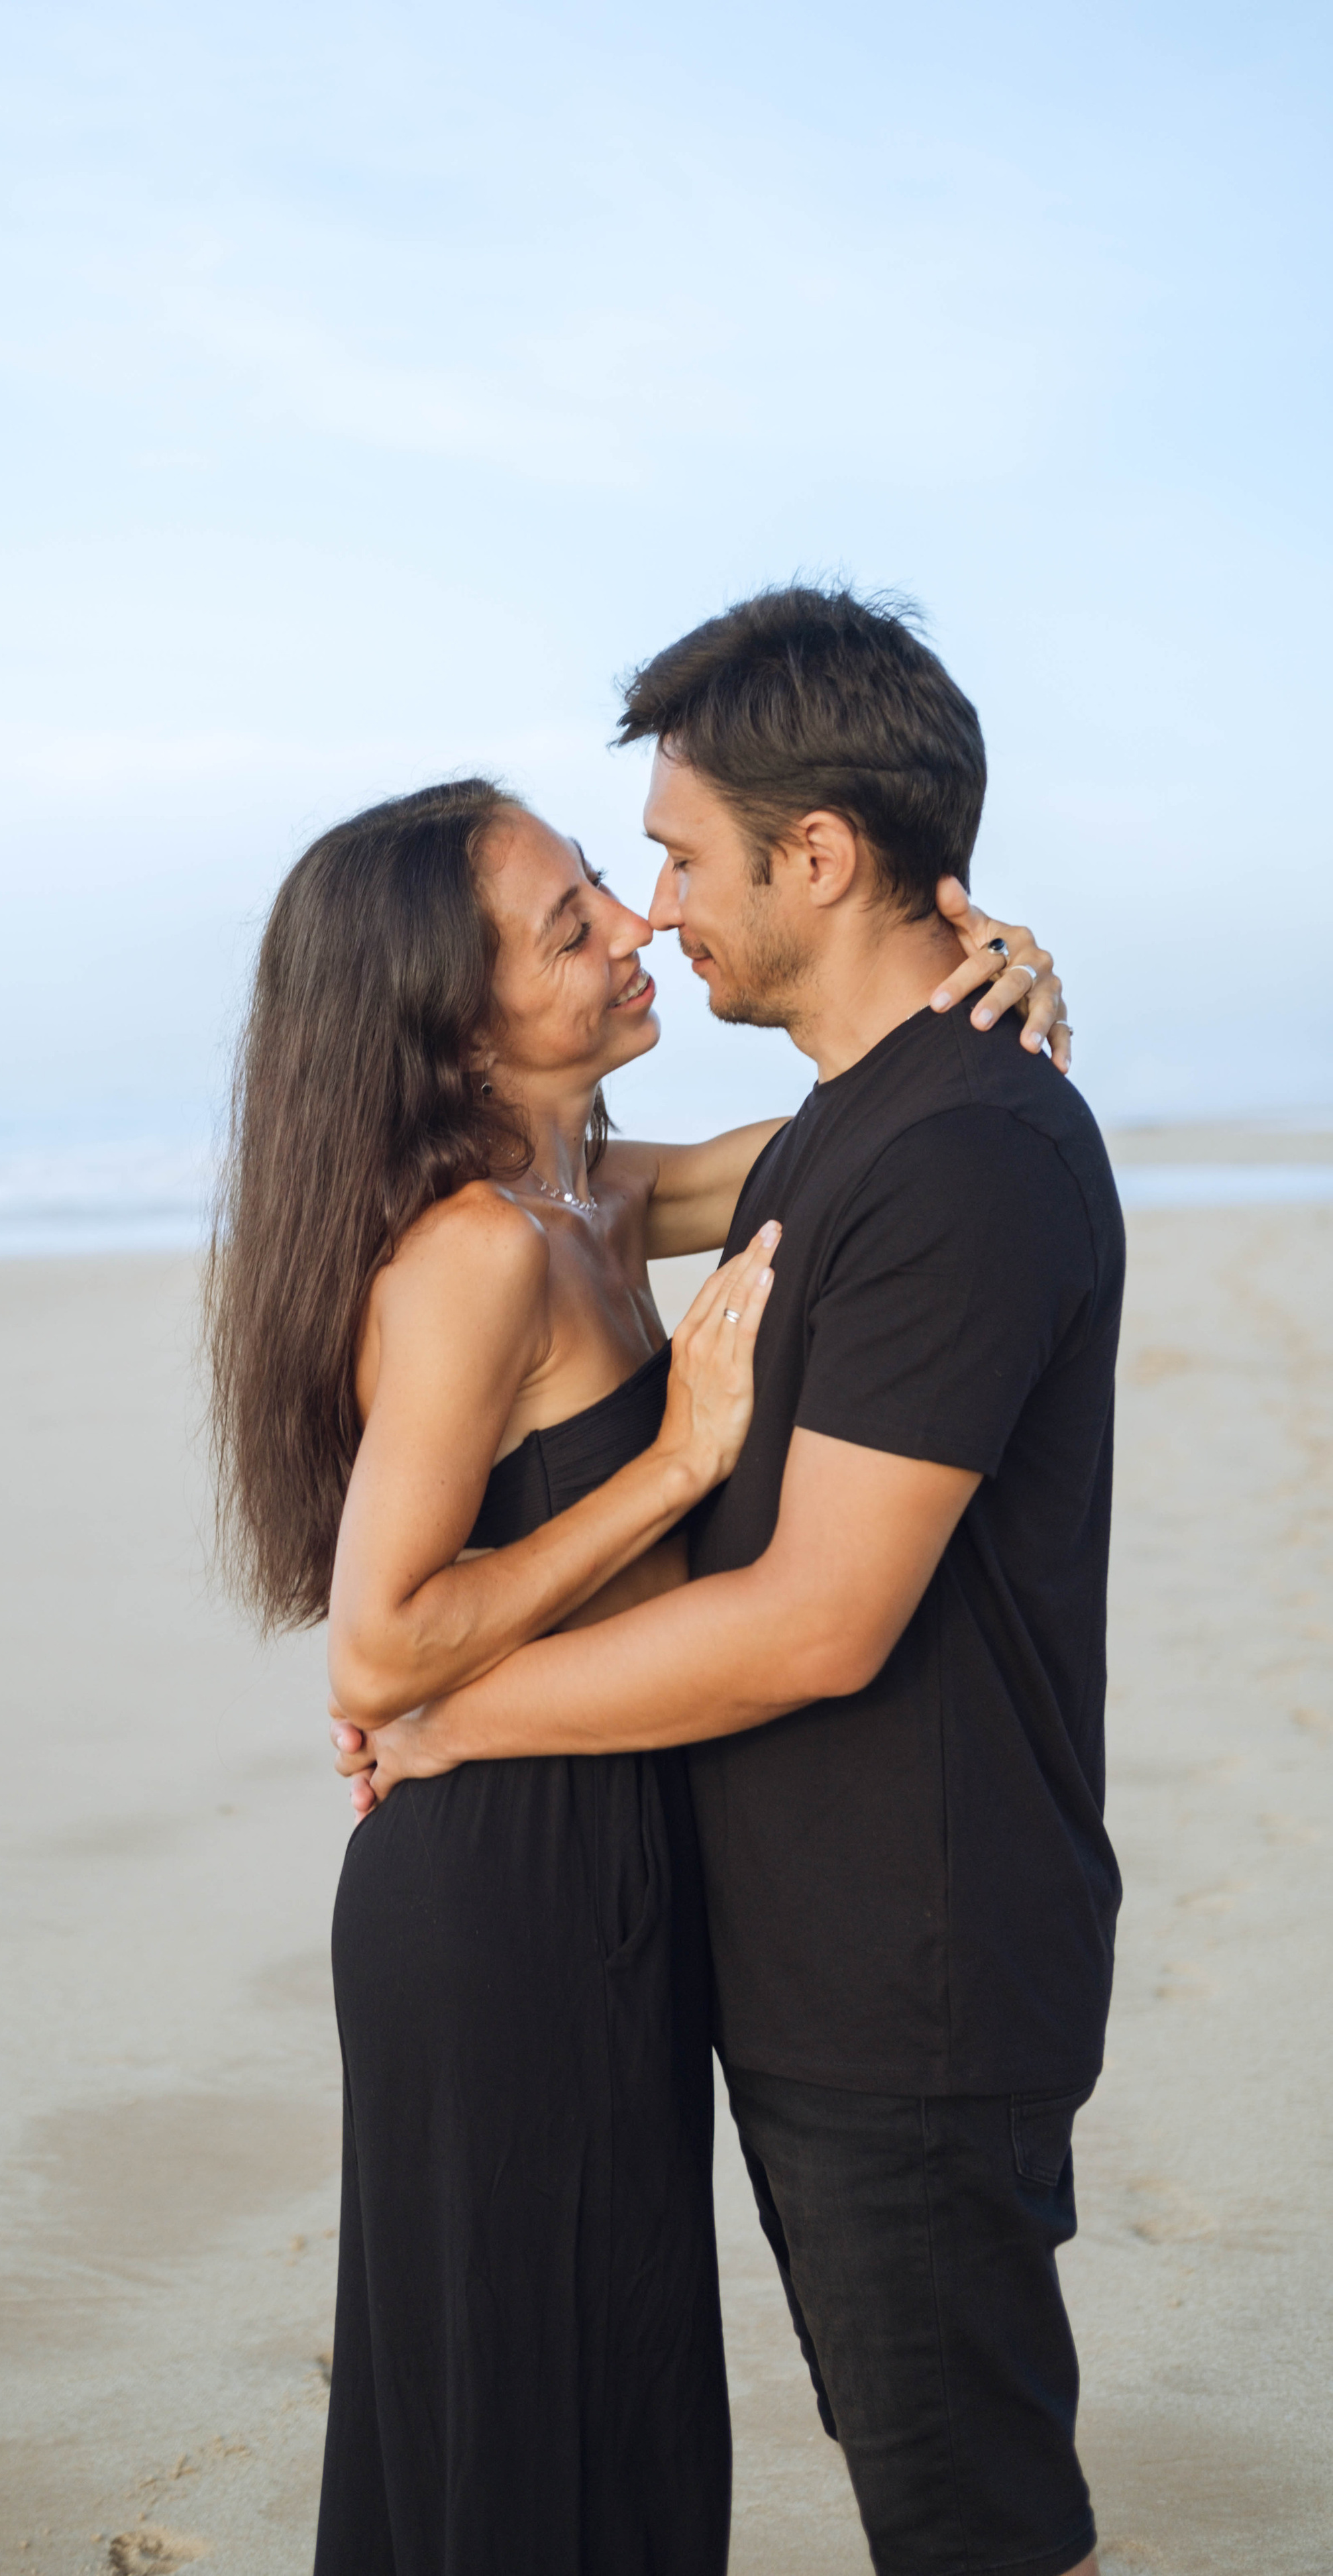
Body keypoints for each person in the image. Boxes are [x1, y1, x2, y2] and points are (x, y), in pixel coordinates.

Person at [206, 731, 1071, 2573]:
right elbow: (378, 1650)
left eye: (606, 881)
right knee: (529, 2397)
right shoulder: (471, 1256)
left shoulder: (596, 1190)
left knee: (621, 2384)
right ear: (455, 1029)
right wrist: (676, 1462)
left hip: (612, 1850)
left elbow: (857, 1149)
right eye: (569, 924)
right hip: (499, 1890)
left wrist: (987, 992)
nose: (635, 927)